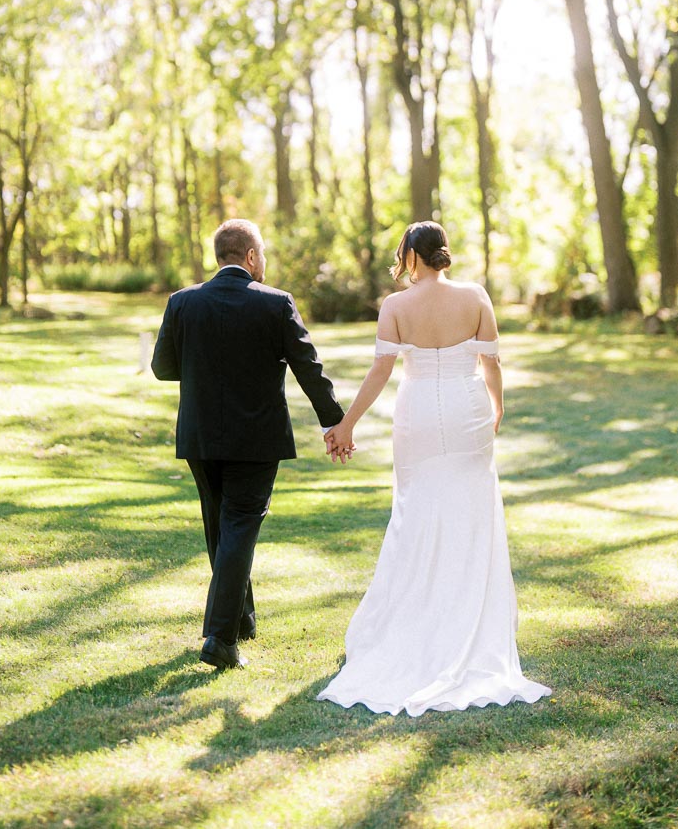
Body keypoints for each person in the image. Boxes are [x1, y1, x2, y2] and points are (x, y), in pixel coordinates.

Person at [318, 220, 550, 715]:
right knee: (472, 513)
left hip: (418, 410)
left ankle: (413, 621)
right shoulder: (476, 297)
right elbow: (492, 363)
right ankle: (468, 620)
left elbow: (381, 370)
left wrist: (347, 424)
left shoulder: (395, 306)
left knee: (415, 509)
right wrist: (497, 406)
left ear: (410, 256)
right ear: (441, 253)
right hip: (467, 409)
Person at [152, 218, 345, 671]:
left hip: (200, 435)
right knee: (238, 526)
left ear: (219, 257)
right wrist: (334, 422)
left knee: (221, 527)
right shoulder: (277, 304)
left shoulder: (183, 303)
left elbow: (163, 367)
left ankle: (241, 620)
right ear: (252, 257)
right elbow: (308, 368)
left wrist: (207, 366)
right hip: (256, 437)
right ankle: (220, 638)